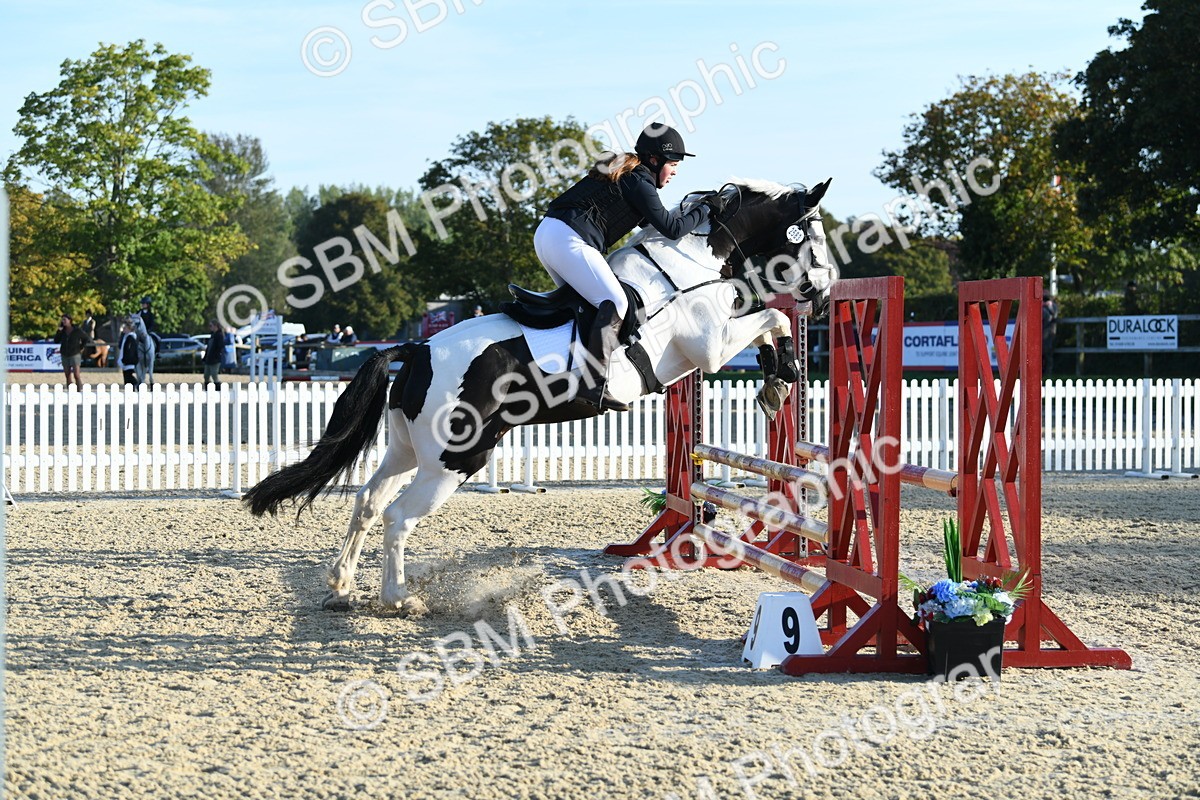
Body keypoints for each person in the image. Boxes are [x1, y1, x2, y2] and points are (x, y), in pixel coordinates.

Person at [535, 122, 720, 411]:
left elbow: (654, 223)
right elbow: (672, 229)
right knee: (616, 302)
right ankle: (593, 384)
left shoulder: (631, 178)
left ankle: (561, 372)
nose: (675, 172)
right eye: (673, 164)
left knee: (587, 308)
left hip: (548, 234)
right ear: (654, 160)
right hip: (568, 239)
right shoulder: (639, 181)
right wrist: (706, 209)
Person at [53, 314, 88, 389]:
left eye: (65, 320)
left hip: (75, 353)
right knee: (67, 374)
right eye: (62, 320)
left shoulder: (77, 330)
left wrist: (81, 347)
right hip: (64, 354)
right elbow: (56, 341)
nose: (63, 321)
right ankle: (70, 389)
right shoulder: (62, 331)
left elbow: (85, 338)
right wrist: (58, 331)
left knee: (76, 374)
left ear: (70, 320)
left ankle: (79, 389)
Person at [116, 321, 139, 385]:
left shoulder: (131, 338)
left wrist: (125, 360)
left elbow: (130, 351)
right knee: (127, 380)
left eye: (125, 328)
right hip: (125, 362)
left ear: (129, 329)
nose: (123, 329)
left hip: (129, 361)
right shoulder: (125, 337)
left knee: (129, 378)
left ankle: (137, 384)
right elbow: (120, 346)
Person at [202, 319, 224, 386]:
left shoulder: (219, 335)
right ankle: (208, 388)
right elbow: (209, 347)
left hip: (215, 359)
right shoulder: (212, 335)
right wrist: (205, 357)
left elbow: (220, 347)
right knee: (206, 375)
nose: (210, 327)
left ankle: (218, 388)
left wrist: (216, 355)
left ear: (215, 326)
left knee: (214, 375)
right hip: (209, 358)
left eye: (211, 326)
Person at [1042, 295, 1058, 376]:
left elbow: (1054, 316)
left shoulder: (1052, 307)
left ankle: (1048, 373)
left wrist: (1049, 307)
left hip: (1049, 334)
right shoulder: (1042, 308)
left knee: (1048, 353)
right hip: (1042, 334)